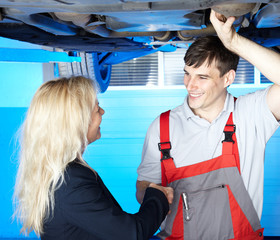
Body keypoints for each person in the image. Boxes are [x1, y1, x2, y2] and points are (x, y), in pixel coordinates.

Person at [136, 9, 280, 240]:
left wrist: (233, 41)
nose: (190, 85)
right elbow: (142, 188)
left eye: (202, 77)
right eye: (187, 74)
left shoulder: (249, 115)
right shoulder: (163, 126)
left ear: (228, 78)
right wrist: (151, 192)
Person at [13, 76, 174, 240]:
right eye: (97, 109)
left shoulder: (59, 172)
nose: (102, 112)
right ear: (78, 121)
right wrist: (157, 196)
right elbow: (132, 234)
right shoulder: (71, 181)